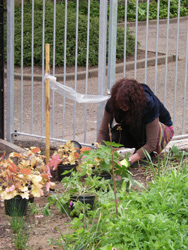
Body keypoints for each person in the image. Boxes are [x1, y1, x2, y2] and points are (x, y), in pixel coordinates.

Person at [97, 78, 174, 165]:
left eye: (125, 105)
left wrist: (126, 162)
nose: (122, 107)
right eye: (120, 105)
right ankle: (139, 153)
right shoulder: (113, 102)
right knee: (112, 136)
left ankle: (147, 155)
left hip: (161, 133)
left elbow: (151, 143)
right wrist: (98, 155)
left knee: (137, 125)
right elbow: (103, 131)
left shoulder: (148, 104)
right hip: (134, 129)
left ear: (134, 101)